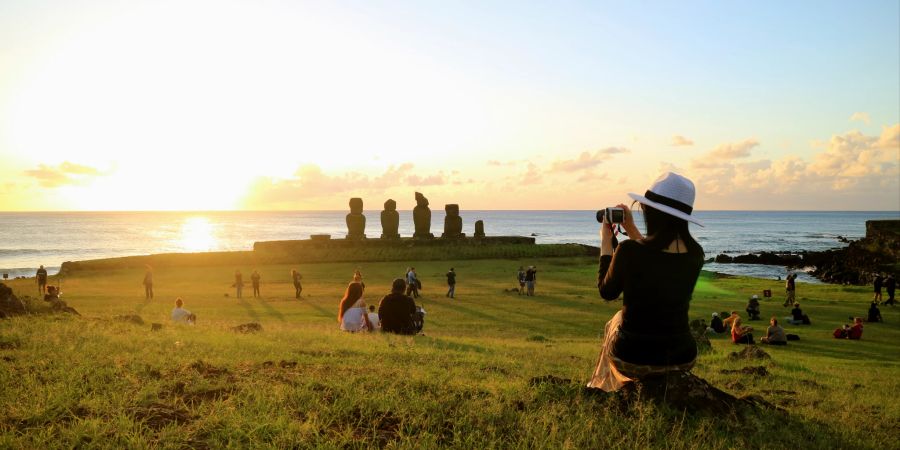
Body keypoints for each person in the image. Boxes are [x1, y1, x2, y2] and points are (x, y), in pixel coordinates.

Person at [588, 172, 705, 392]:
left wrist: (606, 242)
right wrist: (631, 229)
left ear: (651, 213)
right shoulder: (696, 254)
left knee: (616, 319)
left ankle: (601, 386)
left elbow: (607, 292)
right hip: (683, 358)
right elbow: (656, 262)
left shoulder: (628, 251)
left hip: (632, 358)